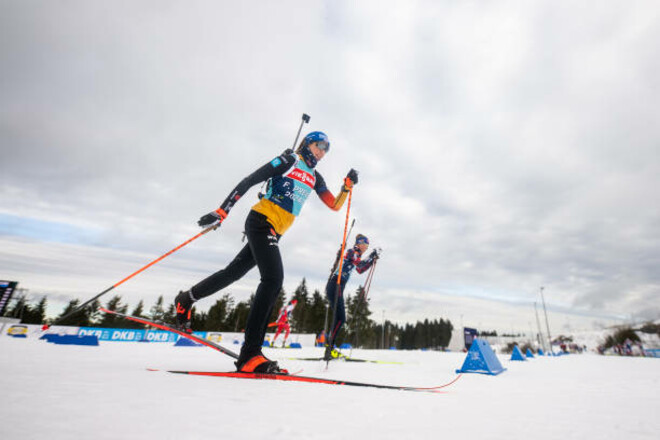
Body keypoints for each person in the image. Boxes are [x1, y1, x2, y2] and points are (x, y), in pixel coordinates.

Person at [173, 131, 358, 374]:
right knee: (273, 280)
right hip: (261, 222)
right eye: (319, 145)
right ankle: (250, 354)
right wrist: (222, 211)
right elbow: (250, 179)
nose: (322, 151)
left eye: (327, 148)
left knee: (233, 273)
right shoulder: (289, 160)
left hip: (273, 231)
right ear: (307, 143)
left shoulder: (315, 176)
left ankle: (186, 300)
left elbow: (334, 205)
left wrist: (346, 187)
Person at [324, 233, 380, 360]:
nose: (366, 247)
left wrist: (372, 260)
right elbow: (358, 263)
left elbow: (360, 269)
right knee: (340, 319)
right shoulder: (352, 251)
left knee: (339, 319)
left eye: (367, 246)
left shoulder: (357, 254)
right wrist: (371, 256)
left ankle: (330, 347)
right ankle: (329, 347)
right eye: (365, 245)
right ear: (359, 244)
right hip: (335, 285)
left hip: (338, 287)